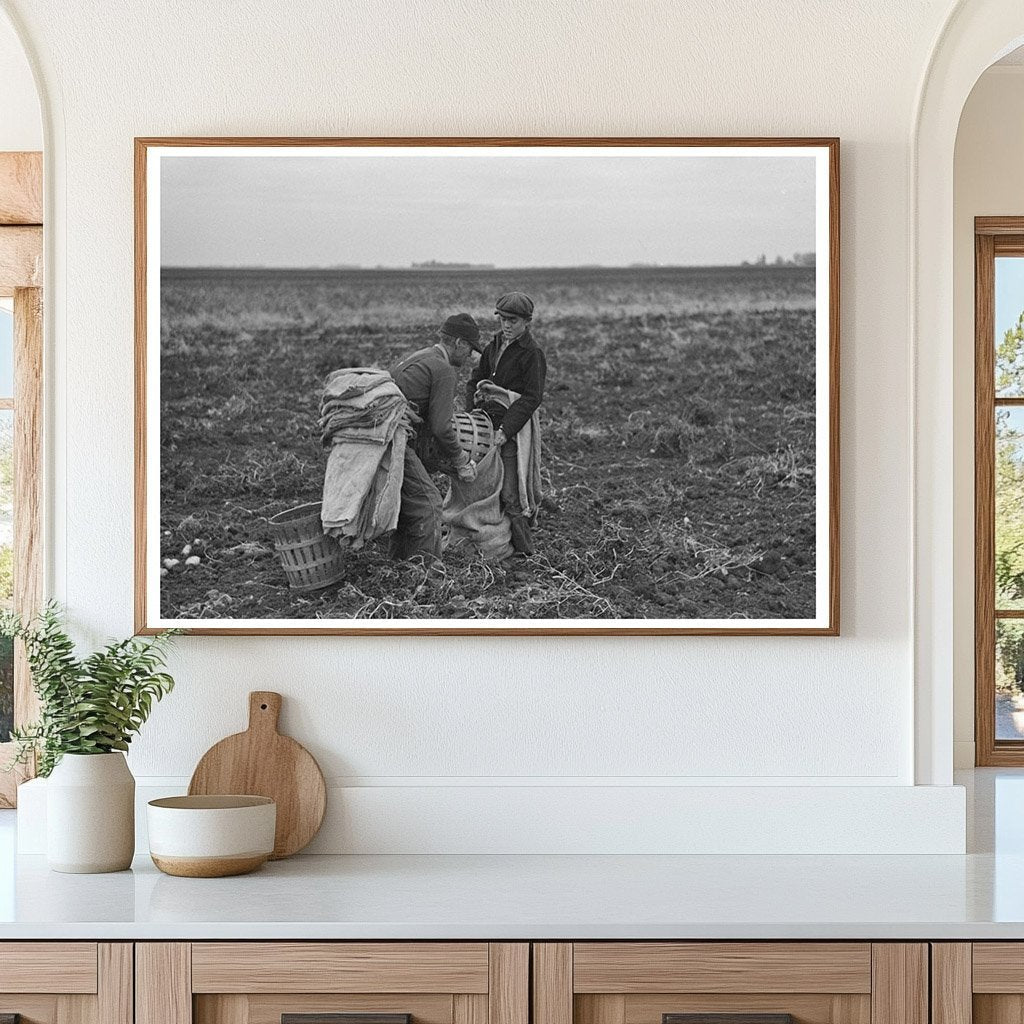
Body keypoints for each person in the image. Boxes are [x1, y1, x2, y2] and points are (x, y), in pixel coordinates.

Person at [389, 313, 483, 561]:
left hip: (384, 436)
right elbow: (441, 427)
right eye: (470, 348)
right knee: (429, 502)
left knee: (407, 503)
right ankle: (426, 571)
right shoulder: (443, 370)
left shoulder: (420, 356)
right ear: (459, 343)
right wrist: (461, 459)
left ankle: (398, 563)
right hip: (393, 440)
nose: (470, 356)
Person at [466, 291, 547, 555]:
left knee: (511, 492)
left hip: (512, 430)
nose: (507, 325)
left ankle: (526, 551)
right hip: (484, 425)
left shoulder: (532, 354)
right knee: (482, 485)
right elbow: (474, 380)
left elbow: (532, 397)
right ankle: (488, 543)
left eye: (513, 320)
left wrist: (506, 430)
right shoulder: (493, 346)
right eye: (503, 319)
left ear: (527, 321)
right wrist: (470, 414)